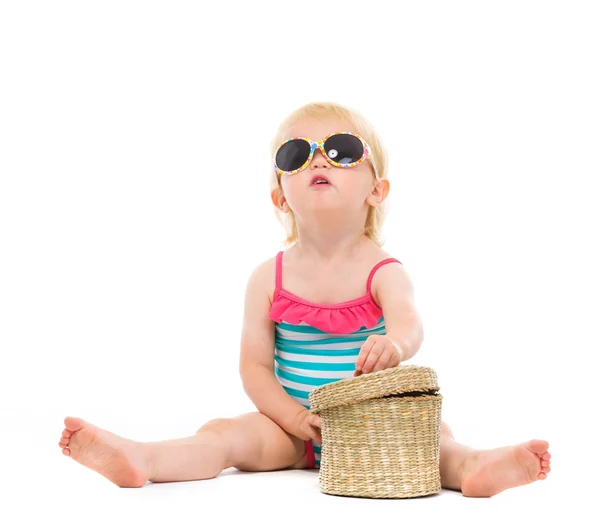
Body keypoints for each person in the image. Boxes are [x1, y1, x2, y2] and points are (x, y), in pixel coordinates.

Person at [58, 101, 551, 497]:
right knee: (226, 434)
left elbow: (409, 323)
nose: (319, 158)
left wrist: (396, 347)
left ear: (376, 190)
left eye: (341, 149)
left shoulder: (383, 270)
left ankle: (474, 467)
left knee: (434, 440)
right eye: (296, 154)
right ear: (280, 196)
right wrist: (293, 418)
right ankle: (144, 459)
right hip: (292, 430)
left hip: (374, 426)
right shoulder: (267, 278)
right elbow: (254, 367)